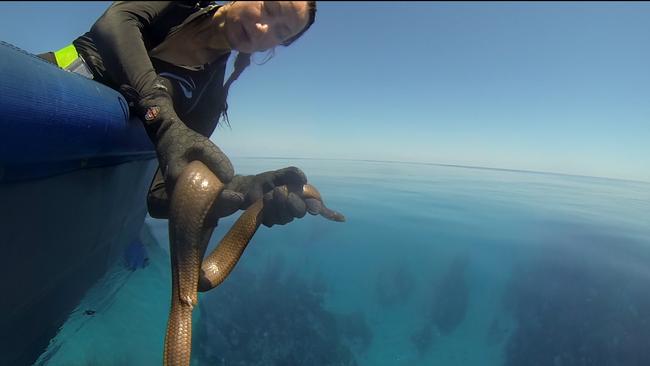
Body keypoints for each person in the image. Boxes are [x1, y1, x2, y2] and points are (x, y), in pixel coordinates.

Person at [39, 1, 321, 227]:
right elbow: (114, 23)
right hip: (41, 91)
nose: (263, 28)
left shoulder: (210, 97)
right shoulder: (183, 6)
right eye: (269, 8)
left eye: (279, 33)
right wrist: (162, 118)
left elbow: (159, 192)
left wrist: (243, 193)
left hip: (77, 165)